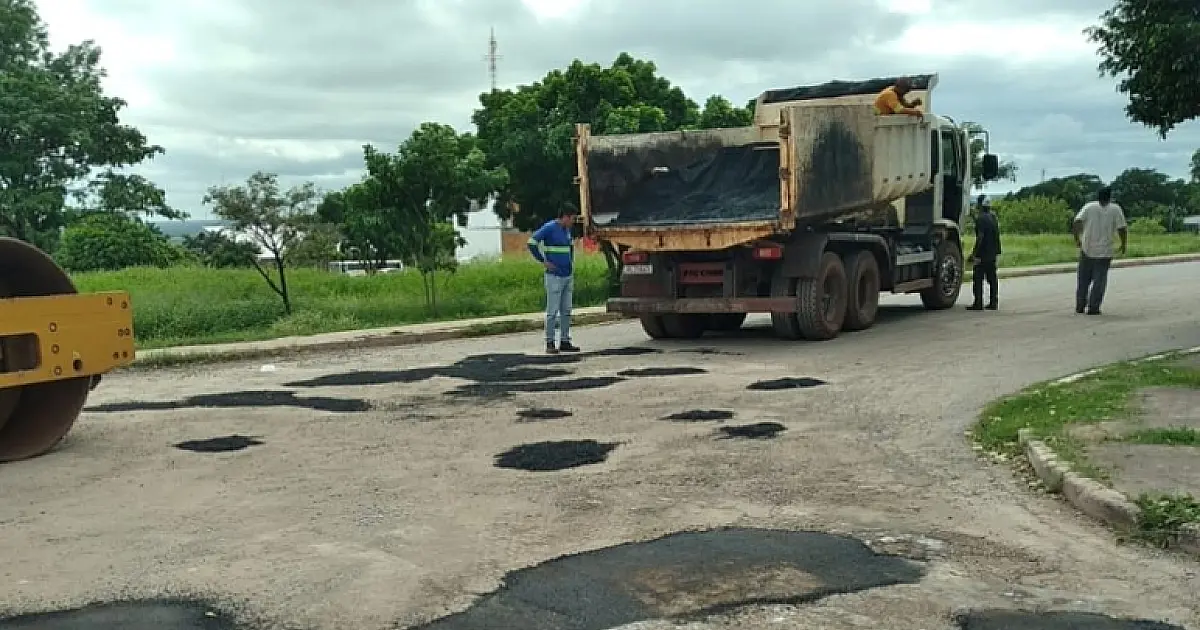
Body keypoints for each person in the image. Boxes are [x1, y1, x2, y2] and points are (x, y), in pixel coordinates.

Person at [528, 205, 580, 354]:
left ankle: (565, 340)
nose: (573, 222)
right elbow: (532, 242)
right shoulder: (549, 228)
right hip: (554, 276)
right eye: (572, 218)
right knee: (552, 311)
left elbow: (569, 248)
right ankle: (550, 342)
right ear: (565, 216)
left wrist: (571, 265)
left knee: (566, 310)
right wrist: (543, 261)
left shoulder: (567, 231)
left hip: (567, 275)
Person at [1072, 186, 1127, 315]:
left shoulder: (1089, 207)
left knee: (1083, 280)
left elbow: (1076, 222)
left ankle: (1080, 305)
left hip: (1087, 248)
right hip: (1105, 251)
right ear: (1110, 197)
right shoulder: (1115, 209)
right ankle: (1093, 307)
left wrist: (1077, 239)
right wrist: (1123, 243)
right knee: (1099, 281)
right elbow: (1122, 228)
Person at [967, 196, 1001, 311]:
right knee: (992, 279)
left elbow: (980, 237)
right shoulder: (993, 217)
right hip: (992, 253)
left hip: (982, 254)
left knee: (978, 279)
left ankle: (978, 303)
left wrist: (974, 254)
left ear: (980, 205)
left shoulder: (981, 219)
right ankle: (993, 302)